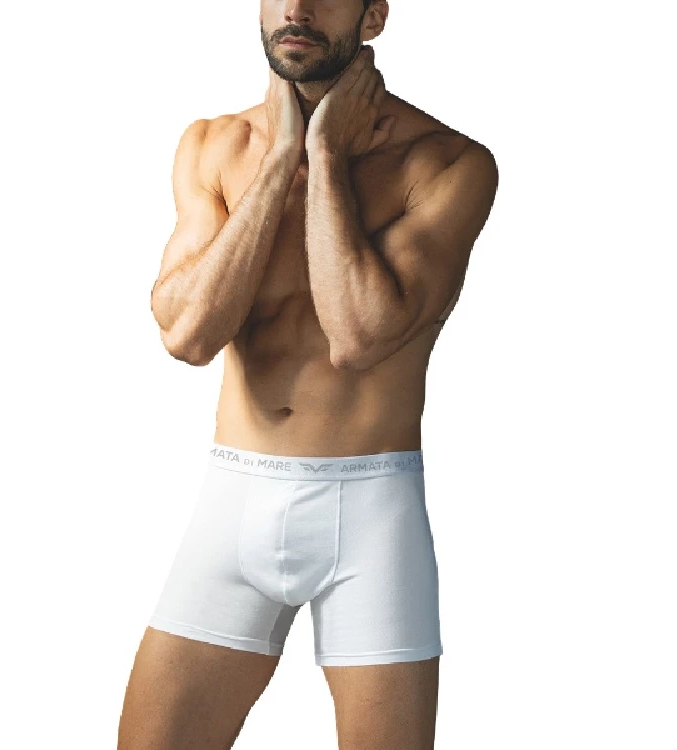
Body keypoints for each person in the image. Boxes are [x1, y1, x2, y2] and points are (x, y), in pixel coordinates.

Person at [118, 1, 498, 747]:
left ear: (374, 16)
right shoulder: (213, 145)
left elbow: (358, 335)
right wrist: (281, 156)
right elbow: (188, 336)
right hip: (233, 501)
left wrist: (323, 155)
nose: (295, 8)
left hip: (371, 515)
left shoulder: (449, 162)